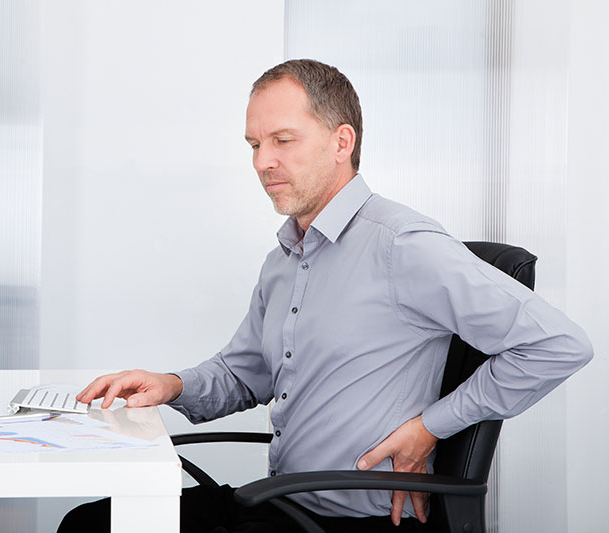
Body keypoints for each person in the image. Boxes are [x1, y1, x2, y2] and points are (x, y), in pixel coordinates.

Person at [58, 59, 593, 533]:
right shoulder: (284, 259)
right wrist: (170, 384)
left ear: (342, 142)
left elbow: (559, 344)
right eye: (254, 145)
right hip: (282, 504)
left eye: (282, 140)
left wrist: (431, 427)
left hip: (354, 520)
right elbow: (247, 375)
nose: (262, 162)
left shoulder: (403, 246)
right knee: (88, 524)